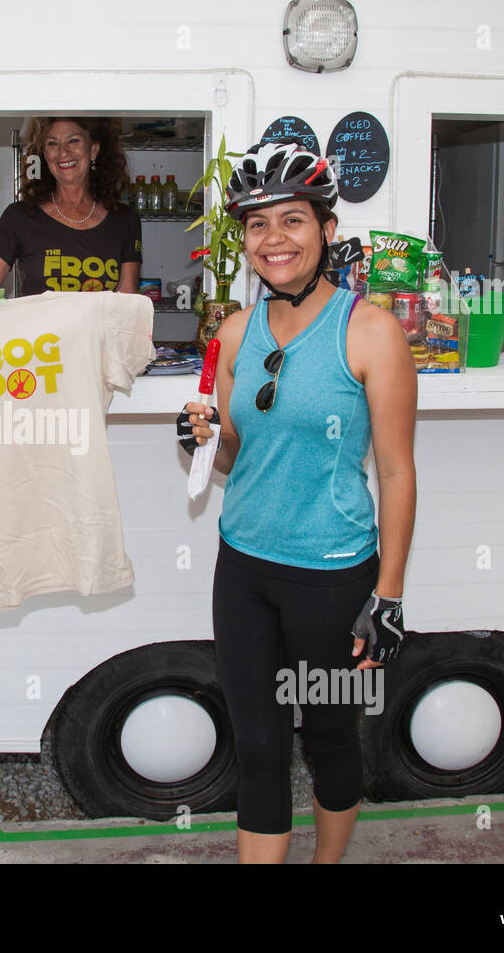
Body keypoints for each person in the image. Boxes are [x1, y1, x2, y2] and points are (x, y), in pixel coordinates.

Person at [180, 141, 417, 864]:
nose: (273, 239)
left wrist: (389, 599)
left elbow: (399, 473)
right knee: (256, 746)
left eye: (292, 221)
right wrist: (202, 440)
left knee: (329, 736)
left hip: (332, 576)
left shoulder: (371, 331)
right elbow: (232, 457)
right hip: (244, 567)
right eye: (257, 225)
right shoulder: (231, 334)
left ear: (326, 231)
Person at [0, 116, 141, 300]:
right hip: (40, 332)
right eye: (52, 144)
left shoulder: (124, 219)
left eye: (73, 140)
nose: (63, 153)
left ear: (93, 150)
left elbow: (128, 298)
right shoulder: (20, 216)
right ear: (44, 154)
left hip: (100, 332)